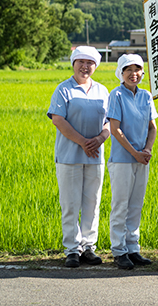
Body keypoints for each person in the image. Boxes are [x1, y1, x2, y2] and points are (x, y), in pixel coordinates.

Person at [47, 46, 110, 268]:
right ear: (73, 64)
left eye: (90, 62)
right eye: (80, 62)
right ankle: (72, 249)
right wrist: (83, 142)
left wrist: (101, 138)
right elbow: (58, 119)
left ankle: (89, 247)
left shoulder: (102, 90)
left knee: (92, 203)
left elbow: (110, 121)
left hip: (95, 156)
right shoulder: (63, 89)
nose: (85, 66)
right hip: (69, 156)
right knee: (70, 203)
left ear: (96, 65)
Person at [106, 54, 158, 270]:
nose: (133, 74)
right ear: (121, 72)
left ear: (142, 73)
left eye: (137, 69)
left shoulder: (146, 96)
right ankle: (119, 251)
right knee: (121, 205)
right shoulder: (116, 95)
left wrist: (146, 149)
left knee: (136, 205)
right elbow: (115, 129)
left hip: (141, 159)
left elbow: (152, 127)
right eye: (128, 69)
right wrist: (135, 153)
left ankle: (133, 248)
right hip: (122, 160)